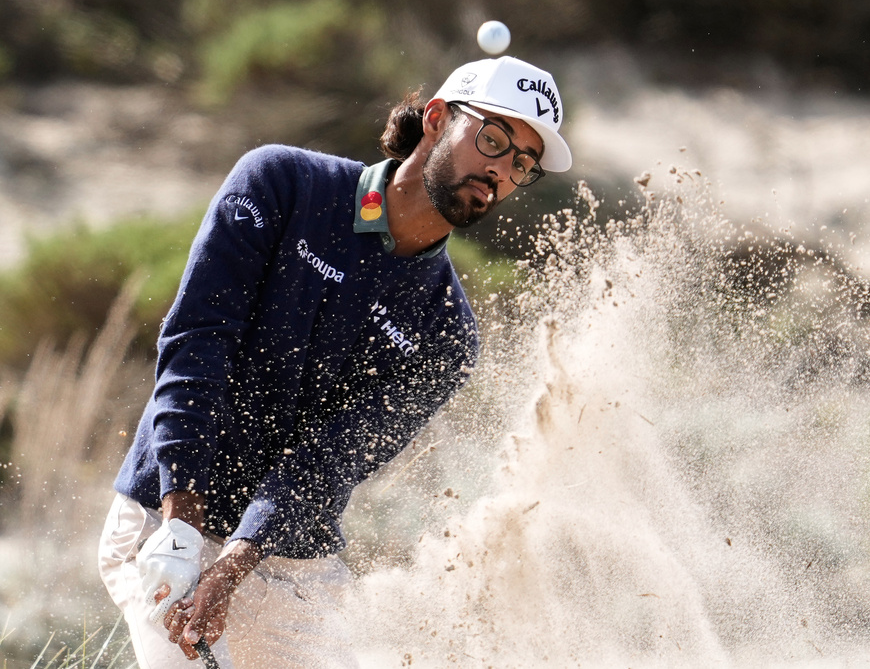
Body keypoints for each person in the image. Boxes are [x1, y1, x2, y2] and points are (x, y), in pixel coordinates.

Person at [97, 55, 572, 668]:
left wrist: (235, 563)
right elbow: (197, 342)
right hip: (165, 510)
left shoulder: (447, 331)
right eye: (493, 139)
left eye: (522, 163)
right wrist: (180, 526)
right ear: (435, 120)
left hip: (282, 553)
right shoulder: (282, 183)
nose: (501, 171)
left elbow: (333, 458)